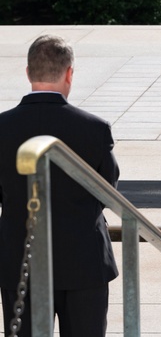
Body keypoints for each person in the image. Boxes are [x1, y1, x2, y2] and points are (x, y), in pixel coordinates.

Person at [0, 34, 120, 337]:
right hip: (84, 260)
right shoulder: (94, 128)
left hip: (19, 259)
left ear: (28, 73)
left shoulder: (1, 128)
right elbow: (108, 190)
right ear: (69, 73)